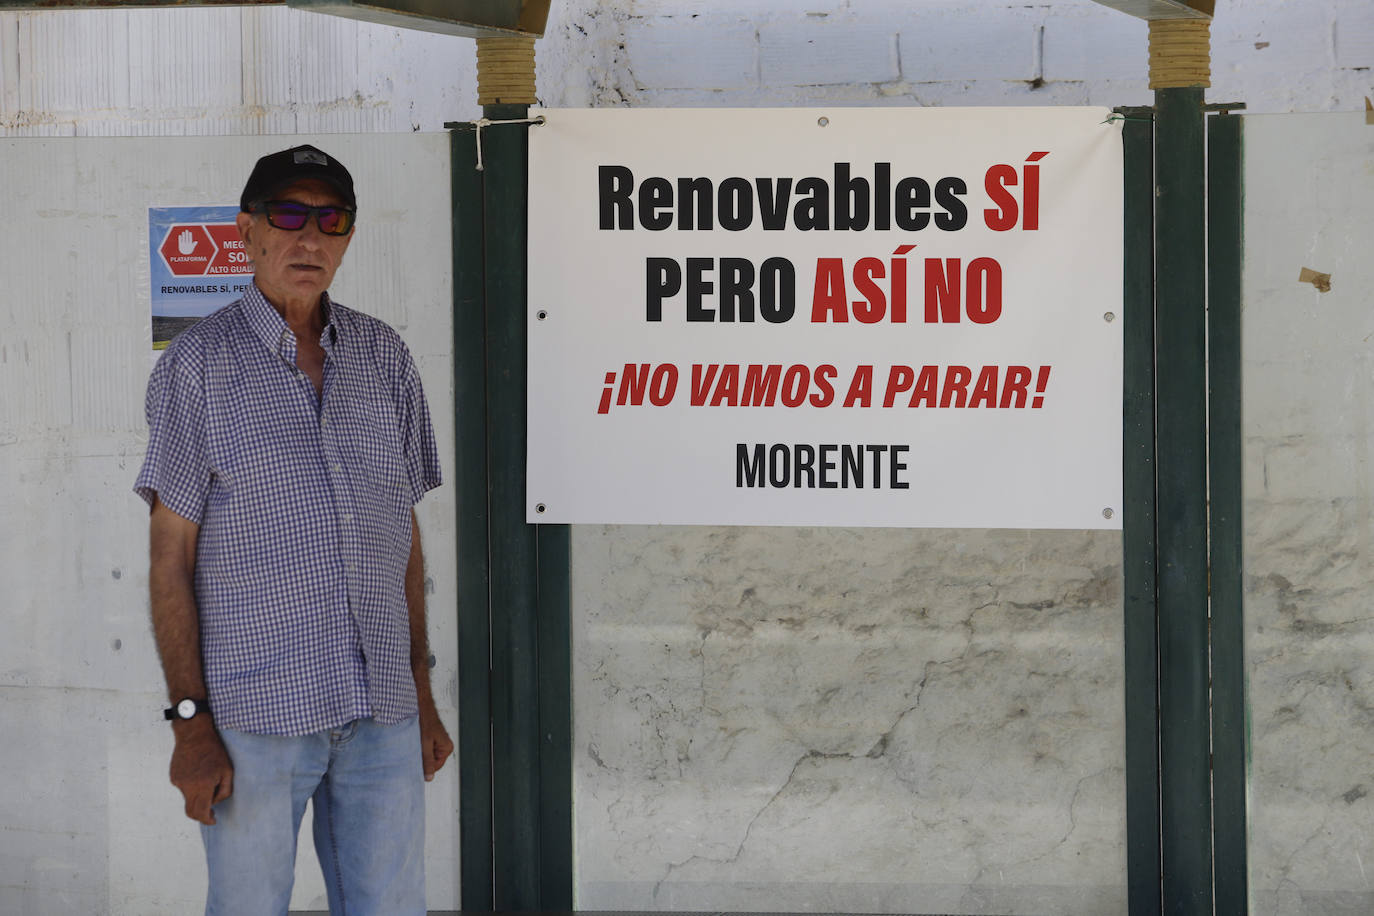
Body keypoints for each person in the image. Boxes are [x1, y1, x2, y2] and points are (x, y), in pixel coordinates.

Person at [134, 144, 453, 916]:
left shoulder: (385, 358)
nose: (309, 238)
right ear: (247, 232)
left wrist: (421, 690)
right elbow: (170, 560)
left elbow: (398, 539)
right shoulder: (197, 366)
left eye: (330, 219)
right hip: (253, 722)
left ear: (347, 237)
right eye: (287, 216)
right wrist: (189, 724)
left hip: (382, 716)